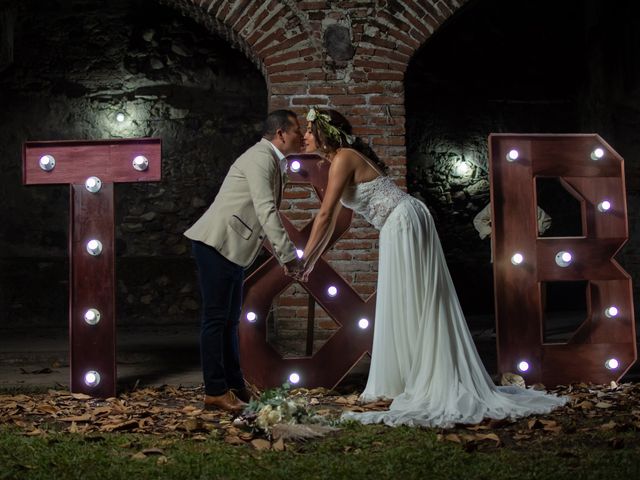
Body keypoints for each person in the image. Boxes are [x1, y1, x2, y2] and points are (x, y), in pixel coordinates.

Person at [300, 107, 567, 428]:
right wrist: (312, 259)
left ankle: (429, 378)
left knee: (415, 299)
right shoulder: (340, 159)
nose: (305, 136)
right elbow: (331, 222)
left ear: (326, 133)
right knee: (405, 300)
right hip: (400, 221)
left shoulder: (343, 156)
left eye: (310, 130)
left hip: (402, 220)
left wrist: (305, 260)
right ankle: (412, 375)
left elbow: (325, 215)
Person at [184, 110, 305, 412]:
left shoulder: (273, 160)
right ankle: (214, 390)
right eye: (297, 131)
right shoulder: (260, 157)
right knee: (216, 320)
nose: (301, 137)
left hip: (232, 249)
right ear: (280, 134)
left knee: (229, 322)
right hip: (217, 244)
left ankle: (235, 386)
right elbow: (265, 209)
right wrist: (287, 255)